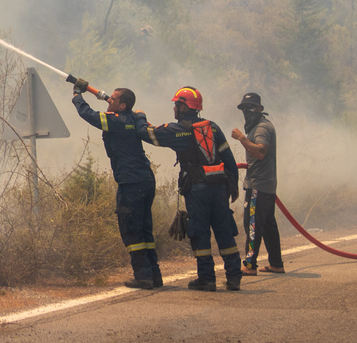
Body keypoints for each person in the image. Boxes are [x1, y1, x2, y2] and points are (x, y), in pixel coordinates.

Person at [146, 86, 242, 291]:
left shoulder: (180, 129)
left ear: (183, 106)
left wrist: (137, 118)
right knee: (224, 231)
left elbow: (152, 136)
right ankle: (234, 277)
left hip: (198, 191)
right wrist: (233, 186)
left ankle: (207, 279)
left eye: (176, 104)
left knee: (199, 233)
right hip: (220, 189)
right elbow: (229, 159)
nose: (174, 108)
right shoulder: (213, 127)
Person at [69, 79, 162, 290]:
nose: (109, 99)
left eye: (114, 98)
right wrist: (93, 92)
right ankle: (154, 275)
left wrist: (77, 94)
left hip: (131, 183)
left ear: (122, 105)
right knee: (145, 229)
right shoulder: (129, 119)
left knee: (131, 229)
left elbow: (88, 114)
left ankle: (143, 277)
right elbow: (108, 111)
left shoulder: (116, 121)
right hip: (145, 180)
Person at [230, 92, 285, 275]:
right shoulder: (260, 126)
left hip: (258, 186)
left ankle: (250, 265)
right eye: (244, 109)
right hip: (266, 185)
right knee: (268, 225)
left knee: (252, 224)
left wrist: (241, 139)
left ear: (260, 109)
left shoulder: (261, 128)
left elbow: (260, 152)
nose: (247, 112)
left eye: (251, 108)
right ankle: (276, 263)